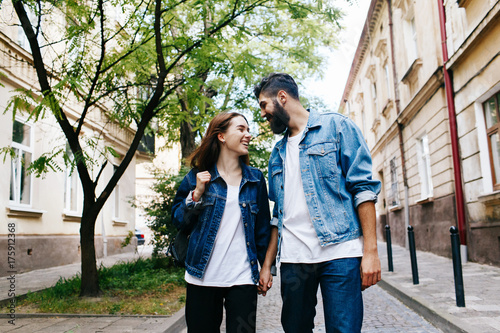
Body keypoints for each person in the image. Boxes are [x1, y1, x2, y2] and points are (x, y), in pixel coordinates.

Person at [254, 73, 382, 333]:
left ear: (282, 98)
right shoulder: (277, 154)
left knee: (344, 329)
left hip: (341, 252)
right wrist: (267, 265)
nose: (263, 114)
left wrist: (370, 252)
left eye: (263, 105)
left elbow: (363, 190)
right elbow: (278, 213)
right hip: (294, 257)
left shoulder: (337, 127)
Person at [171, 112, 272, 333]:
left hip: (242, 277)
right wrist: (196, 194)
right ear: (221, 136)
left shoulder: (255, 179)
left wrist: (266, 268)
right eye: (241, 129)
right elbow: (179, 221)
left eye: (248, 129)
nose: (248, 134)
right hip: (202, 276)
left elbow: (263, 229)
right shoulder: (197, 176)